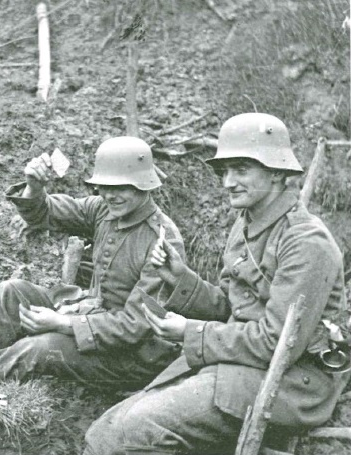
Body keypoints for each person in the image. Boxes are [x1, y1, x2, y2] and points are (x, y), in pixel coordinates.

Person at [83, 113, 351, 455]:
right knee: (104, 430)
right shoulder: (246, 224)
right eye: (224, 171)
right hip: (237, 363)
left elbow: (276, 343)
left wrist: (189, 332)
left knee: (129, 436)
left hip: (292, 382)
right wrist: (181, 279)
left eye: (241, 169)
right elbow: (231, 307)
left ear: (277, 172)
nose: (227, 182)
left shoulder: (306, 242)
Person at [0, 136, 185, 399]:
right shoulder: (104, 210)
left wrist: (62, 323)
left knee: (41, 348)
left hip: (134, 358)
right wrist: (34, 186)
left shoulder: (162, 239)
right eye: (105, 187)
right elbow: (44, 214)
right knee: (11, 293)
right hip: (95, 318)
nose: (110, 195)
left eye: (122, 187)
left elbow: (135, 326)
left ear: (145, 185)